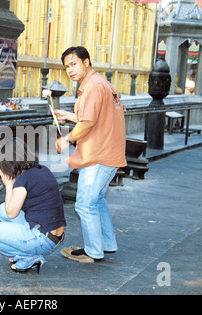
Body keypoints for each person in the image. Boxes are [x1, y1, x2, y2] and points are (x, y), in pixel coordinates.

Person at [55, 46, 126, 263]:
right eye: (67, 66)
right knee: (97, 201)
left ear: (87, 62)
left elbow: (88, 123)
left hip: (98, 155)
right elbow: (97, 118)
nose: (70, 70)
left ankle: (93, 251)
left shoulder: (93, 87)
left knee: (85, 205)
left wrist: (66, 139)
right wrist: (69, 115)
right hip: (108, 152)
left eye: (74, 64)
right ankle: (107, 244)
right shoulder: (101, 83)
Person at [0, 138, 66, 274]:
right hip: (53, 234)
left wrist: (8, 185)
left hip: (42, 238)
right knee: (2, 209)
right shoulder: (41, 170)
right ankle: (30, 252)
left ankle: (28, 256)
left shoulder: (22, 180)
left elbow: (12, 213)